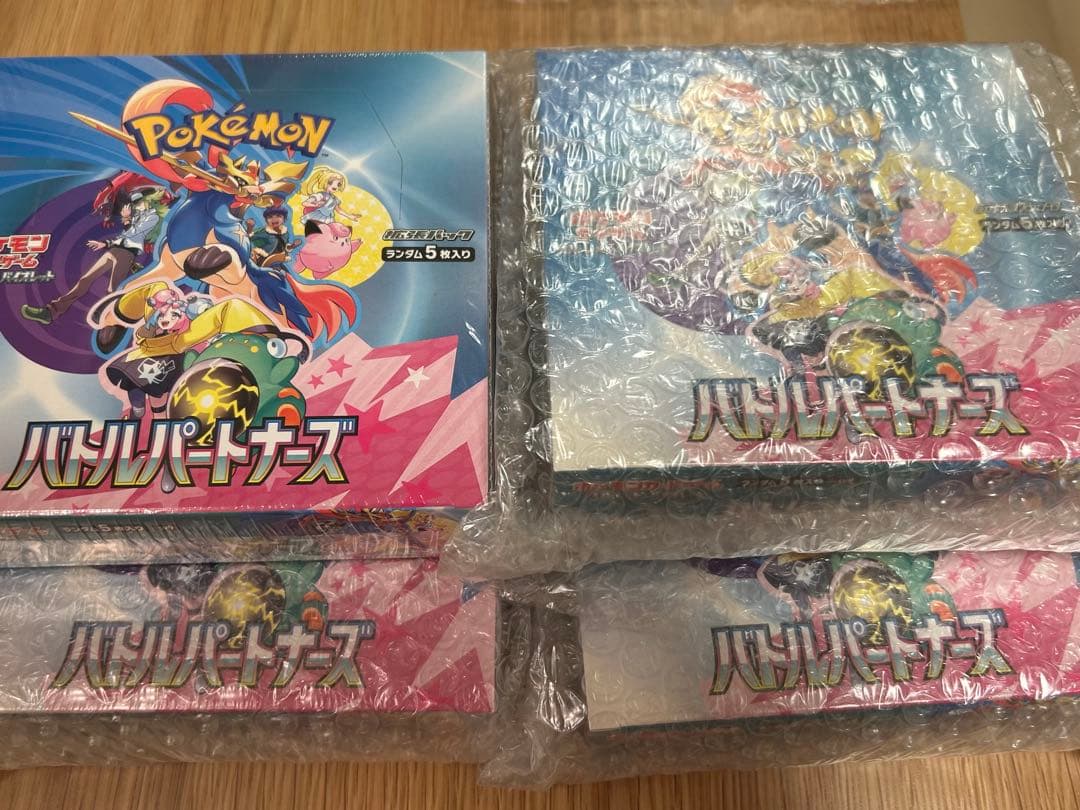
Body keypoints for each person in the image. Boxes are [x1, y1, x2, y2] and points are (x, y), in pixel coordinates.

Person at [21, 189, 166, 327]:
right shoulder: (136, 218)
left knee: (112, 289)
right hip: (115, 250)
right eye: (134, 204)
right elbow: (123, 237)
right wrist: (105, 243)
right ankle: (51, 312)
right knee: (85, 280)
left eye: (138, 203)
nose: (135, 206)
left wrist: (127, 218)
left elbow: (133, 233)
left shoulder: (152, 217)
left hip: (127, 254)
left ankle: (106, 319)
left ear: (148, 201)